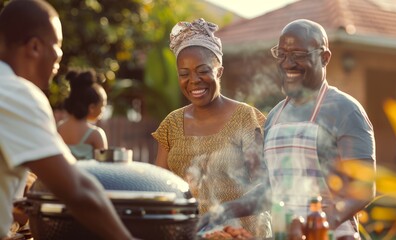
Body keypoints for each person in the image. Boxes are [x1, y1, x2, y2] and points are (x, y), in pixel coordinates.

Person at [0, 1, 135, 239]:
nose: (59, 56)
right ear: (34, 47)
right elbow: (79, 190)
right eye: (58, 45)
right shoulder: (16, 93)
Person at [152, 18, 272, 238]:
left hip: (239, 235)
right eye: (184, 74)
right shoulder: (171, 124)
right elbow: (160, 186)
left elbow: (265, 189)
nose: (194, 80)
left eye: (202, 70)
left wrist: (223, 217)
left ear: (220, 72)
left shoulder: (246, 118)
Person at [264, 19, 376, 239]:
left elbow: (363, 190)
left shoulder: (345, 110)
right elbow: (269, 188)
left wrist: (318, 223)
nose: (287, 63)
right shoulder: (273, 117)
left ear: (324, 57)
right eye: (282, 54)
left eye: (298, 54)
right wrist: (229, 209)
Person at [57, 69, 108, 160]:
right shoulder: (96, 134)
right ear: (92, 107)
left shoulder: (58, 129)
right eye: (103, 105)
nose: (103, 110)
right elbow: (104, 170)